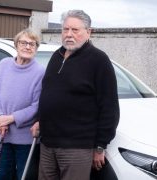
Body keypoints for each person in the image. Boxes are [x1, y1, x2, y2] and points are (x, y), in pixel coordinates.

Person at [32, 10, 120, 180]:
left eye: (75, 30)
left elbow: (109, 107)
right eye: (65, 29)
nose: (69, 34)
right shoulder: (56, 56)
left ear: (89, 32)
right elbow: (47, 93)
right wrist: (38, 119)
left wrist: (100, 146)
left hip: (76, 148)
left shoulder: (98, 60)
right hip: (48, 143)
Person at [0, 29, 44, 180]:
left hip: (26, 140)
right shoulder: (4, 64)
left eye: (32, 44)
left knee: (25, 176)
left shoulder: (40, 72)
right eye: (23, 43)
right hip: (3, 134)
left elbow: (37, 106)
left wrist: (11, 118)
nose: (27, 47)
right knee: (2, 175)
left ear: (36, 48)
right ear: (16, 45)